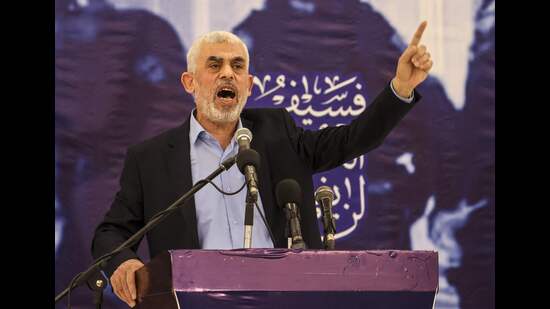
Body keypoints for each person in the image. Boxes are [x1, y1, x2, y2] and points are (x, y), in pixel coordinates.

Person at [92, 22, 433, 307]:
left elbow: (352, 140)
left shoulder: (277, 132)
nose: (228, 73)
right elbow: (112, 232)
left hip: (284, 299)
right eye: (214, 65)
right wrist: (125, 263)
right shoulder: (151, 158)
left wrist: (400, 88)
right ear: (189, 82)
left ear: (249, 85)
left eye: (237, 66)